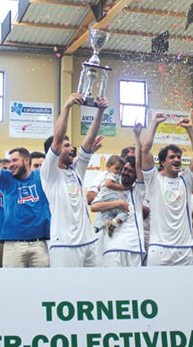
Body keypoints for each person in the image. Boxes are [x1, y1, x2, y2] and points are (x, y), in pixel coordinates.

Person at [0, 121, 51, 268]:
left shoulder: (41, 177)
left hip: (39, 244)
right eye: (10, 161)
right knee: (12, 286)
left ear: (27, 160)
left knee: (41, 286)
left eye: (15, 160)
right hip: (13, 244)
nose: (11, 164)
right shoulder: (7, 180)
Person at [41, 92, 106, 267]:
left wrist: (100, 111)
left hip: (88, 241)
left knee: (91, 291)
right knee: (65, 292)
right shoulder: (49, 173)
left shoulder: (77, 170)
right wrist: (67, 107)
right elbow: (57, 139)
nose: (72, 149)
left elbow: (89, 139)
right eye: (67, 145)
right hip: (64, 244)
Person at [139, 112, 193, 266]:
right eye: (172, 157)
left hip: (185, 249)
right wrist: (154, 123)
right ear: (162, 162)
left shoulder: (186, 180)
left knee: (186, 290)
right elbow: (144, 151)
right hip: (160, 249)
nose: (177, 160)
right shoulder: (154, 180)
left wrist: (190, 129)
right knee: (156, 290)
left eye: (179, 157)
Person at [92, 128, 147, 267]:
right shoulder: (108, 188)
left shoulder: (138, 191)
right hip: (113, 246)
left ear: (136, 175)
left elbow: (140, 164)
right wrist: (117, 203)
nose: (126, 173)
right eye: (124, 170)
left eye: (130, 171)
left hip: (134, 246)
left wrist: (137, 136)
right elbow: (94, 207)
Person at [91, 155, 129, 236]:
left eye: (121, 170)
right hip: (113, 200)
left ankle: (96, 228)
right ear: (108, 166)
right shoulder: (111, 175)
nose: (119, 171)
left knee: (105, 218)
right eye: (117, 168)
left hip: (105, 201)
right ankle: (114, 222)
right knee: (124, 213)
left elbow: (99, 187)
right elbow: (108, 184)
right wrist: (123, 187)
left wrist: (102, 189)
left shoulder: (103, 178)